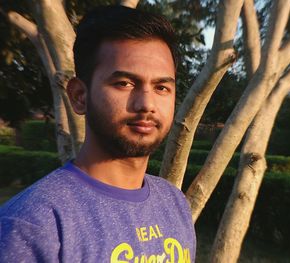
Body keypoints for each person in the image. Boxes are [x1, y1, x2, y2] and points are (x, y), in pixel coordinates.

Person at [0, 5, 196, 262]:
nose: (146, 104)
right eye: (124, 84)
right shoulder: (33, 224)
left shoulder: (174, 202)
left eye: (161, 87)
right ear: (79, 96)